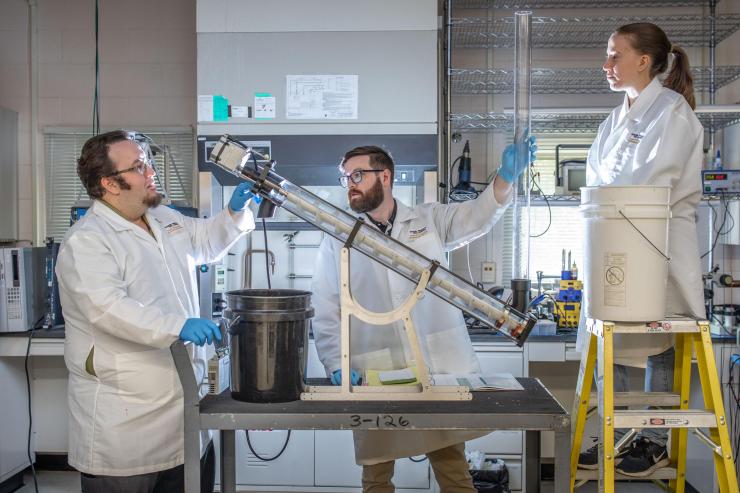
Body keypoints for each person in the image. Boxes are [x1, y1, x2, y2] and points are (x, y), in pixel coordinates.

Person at [311, 140, 536, 493]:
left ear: (384, 176)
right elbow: (326, 304)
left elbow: (476, 216)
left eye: (357, 174)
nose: (349, 184)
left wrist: (505, 178)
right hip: (376, 366)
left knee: (453, 471)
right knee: (376, 475)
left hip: (435, 364)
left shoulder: (429, 219)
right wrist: (333, 362)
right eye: (345, 178)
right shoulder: (337, 234)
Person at [56, 130, 257, 492]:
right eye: (139, 166)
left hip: (183, 408)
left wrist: (234, 212)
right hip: (125, 420)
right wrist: (178, 325)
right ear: (109, 184)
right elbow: (108, 309)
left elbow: (205, 241)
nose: (151, 172)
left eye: (148, 162)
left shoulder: (162, 216)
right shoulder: (88, 239)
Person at [576, 23, 704, 477]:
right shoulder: (617, 117)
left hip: (658, 244)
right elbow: (596, 182)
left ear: (643, 61)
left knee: (656, 338)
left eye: (615, 55)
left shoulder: (670, 113)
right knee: (620, 340)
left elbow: (648, 186)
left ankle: (651, 442)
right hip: (616, 243)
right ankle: (615, 436)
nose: (606, 65)